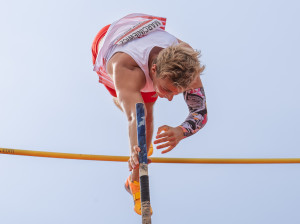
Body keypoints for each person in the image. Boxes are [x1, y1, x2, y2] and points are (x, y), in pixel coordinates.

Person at [91, 13, 207, 215]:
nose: (170, 98)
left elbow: (200, 111)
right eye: (168, 90)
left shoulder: (186, 61)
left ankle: (130, 104)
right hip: (110, 48)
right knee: (144, 113)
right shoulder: (126, 68)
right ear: (154, 70)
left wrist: (181, 131)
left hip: (144, 43)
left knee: (148, 111)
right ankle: (133, 182)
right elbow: (135, 118)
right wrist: (136, 150)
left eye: (175, 93)